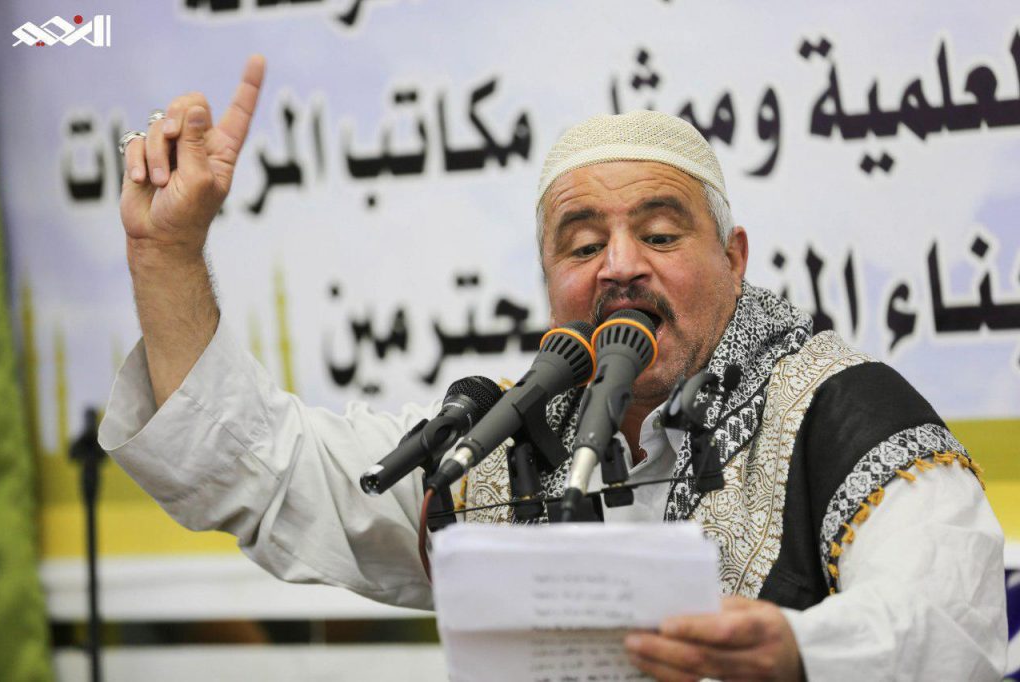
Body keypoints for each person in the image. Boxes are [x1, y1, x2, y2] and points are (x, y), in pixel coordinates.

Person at [99, 55, 1006, 680]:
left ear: (733, 259)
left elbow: (951, 622)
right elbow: (258, 463)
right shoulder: (497, 439)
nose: (619, 266)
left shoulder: (842, 410)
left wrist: (800, 656)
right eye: (582, 245)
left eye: (660, 235)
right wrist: (166, 255)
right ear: (550, 286)